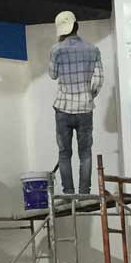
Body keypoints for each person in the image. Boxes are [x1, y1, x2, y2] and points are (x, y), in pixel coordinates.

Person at [49, 11, 104, 195]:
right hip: (85, 109)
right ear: (76, 25)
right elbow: (98, 80)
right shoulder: (93, 49)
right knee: (85, 153)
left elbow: (52, 75)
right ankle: (84, 192)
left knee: (64, 153)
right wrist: (89, 95)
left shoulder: (56, 49)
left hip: (63, 108)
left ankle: (69, 193)